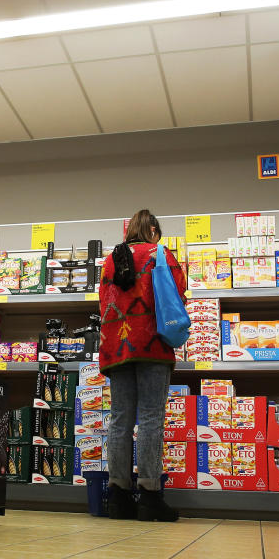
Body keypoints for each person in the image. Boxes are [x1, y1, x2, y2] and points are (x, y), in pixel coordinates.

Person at [99, 209, 186, 522]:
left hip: (116, 346)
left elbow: (103, 301)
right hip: (152, 344)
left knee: (120, 418)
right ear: (152, 229)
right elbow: (178, 296)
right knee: (151, 417)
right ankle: (149, 496)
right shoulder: (161, 254)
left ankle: (118, 498)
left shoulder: (111, 259)